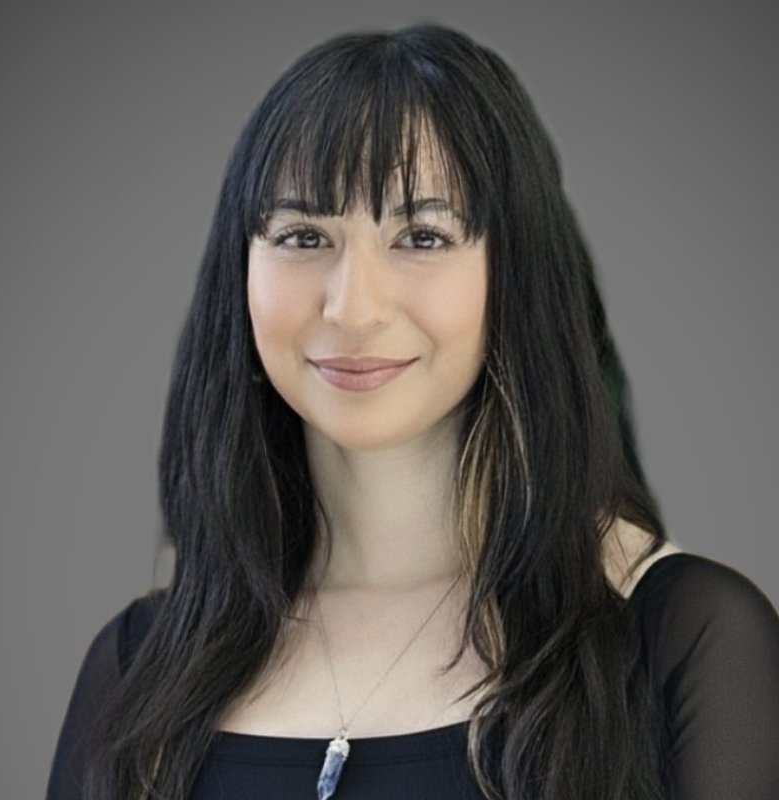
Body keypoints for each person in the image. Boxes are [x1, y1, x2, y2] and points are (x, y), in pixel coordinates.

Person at [45, 23, 779, 800]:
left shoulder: (682, 638)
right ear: (242, 276)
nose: (353, 308)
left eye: (423, 236)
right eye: (302, 235)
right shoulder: (137, 667)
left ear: (516, 277)